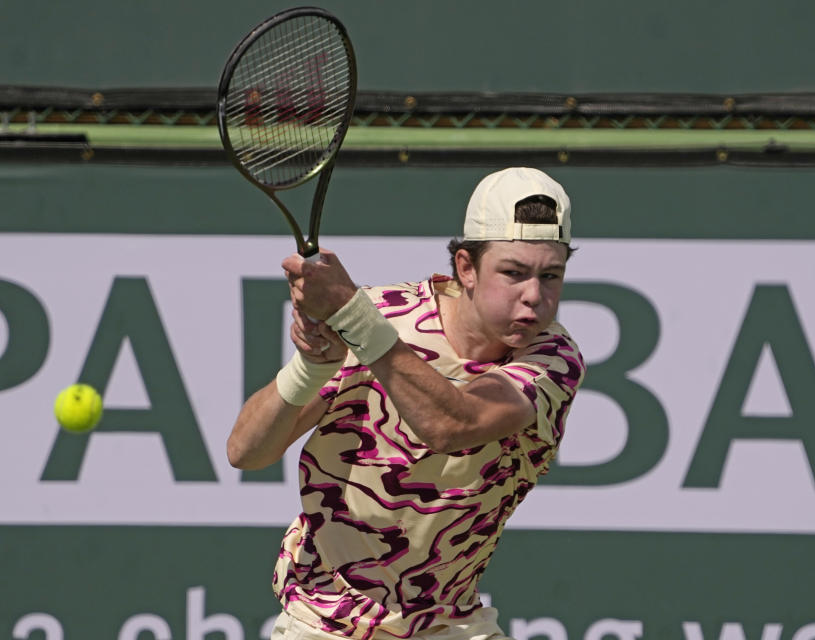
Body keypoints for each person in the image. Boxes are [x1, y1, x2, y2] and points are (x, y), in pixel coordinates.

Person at [228, 167, 585, 640]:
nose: (534, 298)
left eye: (551, 275)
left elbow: (452, 424)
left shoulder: (552, 360)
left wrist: (352, 316)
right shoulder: (385, 318)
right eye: (514, 273)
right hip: (324, 622)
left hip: (451, 622)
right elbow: (246, 452)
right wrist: (312, 367)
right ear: (465, 267)